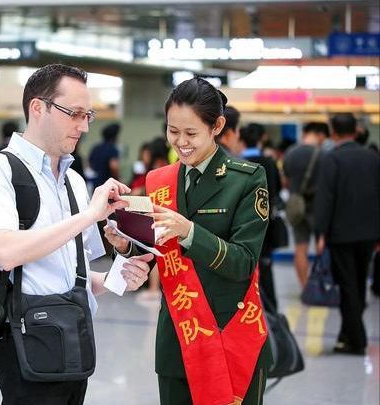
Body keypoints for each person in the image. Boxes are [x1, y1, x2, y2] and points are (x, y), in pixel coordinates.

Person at [0, 63, 153, 405]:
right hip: (25, 339)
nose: (84, 125)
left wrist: (117, 277)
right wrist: (90, 215)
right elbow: (5, 253)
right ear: (38, 108)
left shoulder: (74, 182)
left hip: (74, 339)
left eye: (88, 115)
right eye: (74, 113)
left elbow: (70, 275)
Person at [105, 77, 271, 405]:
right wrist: (124, 244)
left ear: (217, 126)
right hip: (178, 340)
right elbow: (156, 247)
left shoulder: (248, 179)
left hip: (230, 336)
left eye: (191, 133)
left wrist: (190, 231)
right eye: (173, 131)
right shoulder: (160, 180)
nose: (181, 142)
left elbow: (243, 262)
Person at [315, 113, 380, 355]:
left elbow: (326, 198)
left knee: (347, 286)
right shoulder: (373, 158)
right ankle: (347, 335)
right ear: (357, 131)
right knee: (360, 283)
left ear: (333, 132)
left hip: (341, 233)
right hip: (369, 232)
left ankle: (358, 339)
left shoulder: (332, 159)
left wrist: (320, 233)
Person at [240, 123, 282, 310]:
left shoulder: (238, 163)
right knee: (266, 271)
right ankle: (271, 312)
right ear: (262, 138)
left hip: (242, 226)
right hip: (266, 225)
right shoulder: (270, 163)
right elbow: (277, 191)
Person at [283, 122, 326, 288]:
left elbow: (285, 181)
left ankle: (305, 287)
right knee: (322, 246)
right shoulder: (324, 155)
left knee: (301, 248)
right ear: (319, 134)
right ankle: (323, 284)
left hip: (297, 207)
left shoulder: (291, 153)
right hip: (319, 206)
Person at [89, 122, 121, 188]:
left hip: (96, 182)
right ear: (114, 137)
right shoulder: (113, 150)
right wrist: (118, 180)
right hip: (108, 184)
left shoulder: (96, 148)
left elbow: (90, 163)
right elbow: (114, 167)